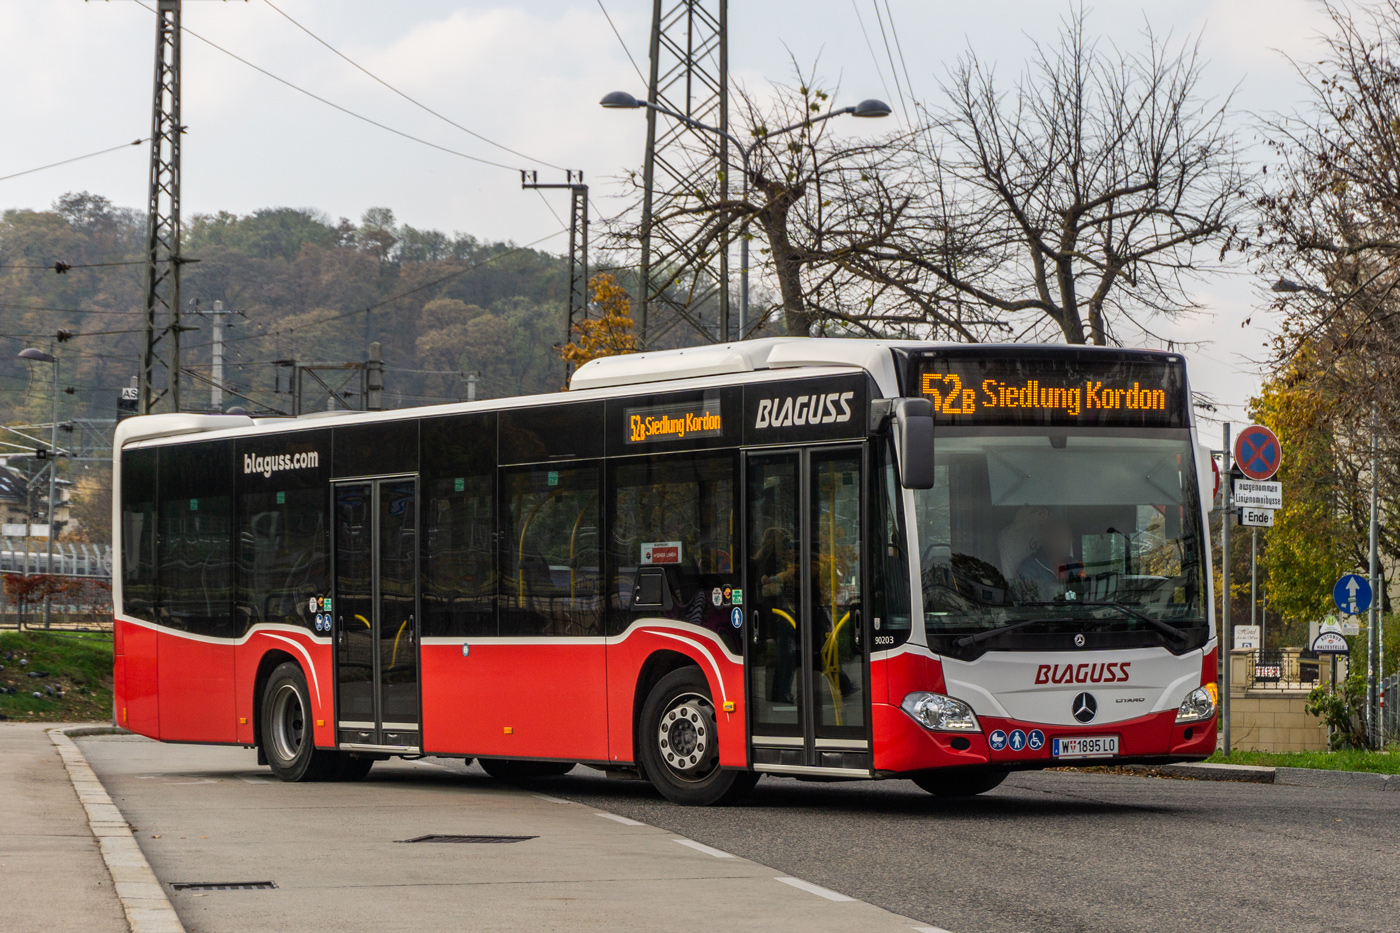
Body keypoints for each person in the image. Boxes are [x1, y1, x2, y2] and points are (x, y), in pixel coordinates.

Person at [1016, 517, 1080, 601]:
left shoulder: (1076, 566)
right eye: (1057, 536)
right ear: (1046, 539)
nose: (1062, 542)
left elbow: (1086, 596)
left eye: (1066, 536)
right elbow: (1029, 605)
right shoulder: (1029, 568)